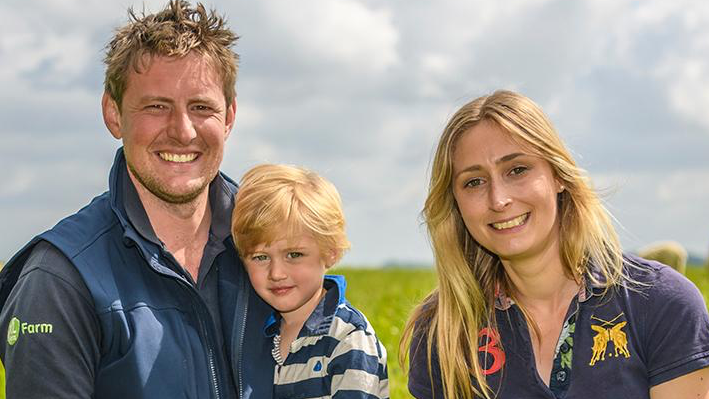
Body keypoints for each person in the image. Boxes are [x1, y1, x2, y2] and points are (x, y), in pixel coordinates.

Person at [0, 1, 275, 398]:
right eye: (157, 106)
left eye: (201, 107)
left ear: (229, 117)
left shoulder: (276, 239)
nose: (183, 131)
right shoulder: (59, 281)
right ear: (114, 114)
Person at [401, 90, 709, 399]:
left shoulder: (661, 303)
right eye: (474, 182)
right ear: (456, 203)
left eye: (517, 169)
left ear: (558, 176)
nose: (499, 199)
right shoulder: (441, 331)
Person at [231, 164, 390, 399]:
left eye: (294, 255)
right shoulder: (259, 333)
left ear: (330, 252)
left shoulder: (347, 338)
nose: (276, 273)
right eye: (260, 257)